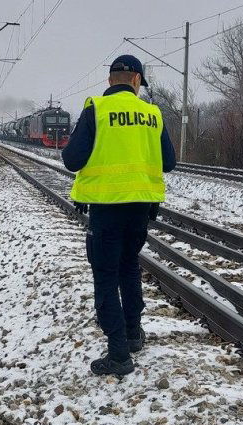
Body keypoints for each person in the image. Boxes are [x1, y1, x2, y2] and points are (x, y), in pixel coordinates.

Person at [61, 54, 177, 377]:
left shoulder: (95, 109)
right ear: (137, 81)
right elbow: (169, 162)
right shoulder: (153, 114)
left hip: (106, 210)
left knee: (105, 274)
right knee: (129, 265)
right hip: (141, 211)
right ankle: (133, 332)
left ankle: (118, 352)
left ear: (110, 80)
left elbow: (72, 159)